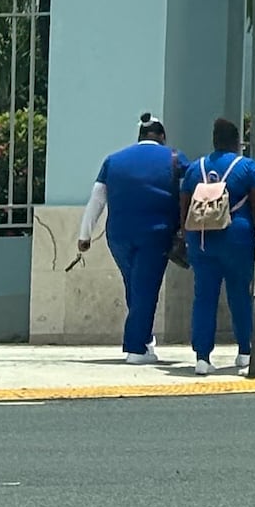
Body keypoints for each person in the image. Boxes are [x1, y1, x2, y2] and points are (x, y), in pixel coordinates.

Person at [75, 114, 183, 365]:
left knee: (134, 286)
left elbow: (97, 198)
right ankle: (136, 348)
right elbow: (189, 190)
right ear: (162, 136)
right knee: (146, 289)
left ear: (139, 136)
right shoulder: (174, 157)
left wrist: (84, 235)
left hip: (119, 236)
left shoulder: (113, 160)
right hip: (155, 234)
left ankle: (144, 339)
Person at [179, 117, 255, 375]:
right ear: (237, 142)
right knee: (240, 294)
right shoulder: (247, 167)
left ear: (214, 141)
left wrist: (186, 236)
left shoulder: (195, 168)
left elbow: (184, 205)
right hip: (236, 238)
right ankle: (244, 351)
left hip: (202, 239)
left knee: (204, 297)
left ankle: (202, 357)